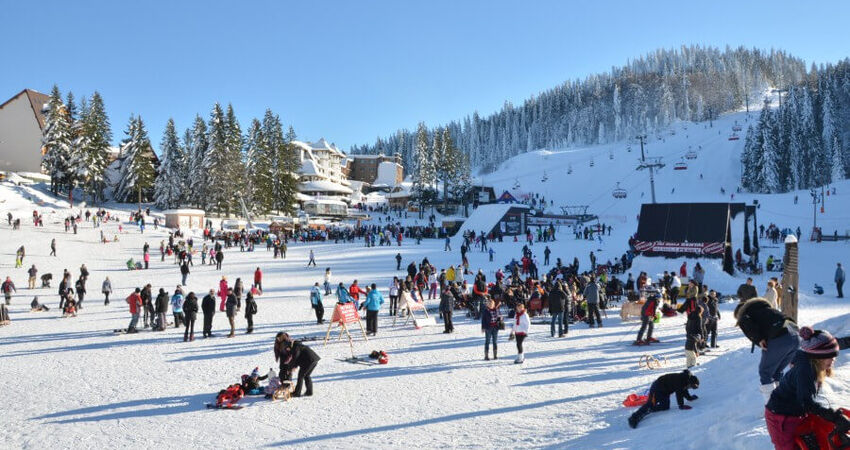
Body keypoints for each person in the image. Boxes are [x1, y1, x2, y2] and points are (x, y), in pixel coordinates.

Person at [765, 327, 849, 449]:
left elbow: (837, 344)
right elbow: (806, 402)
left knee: (823, 432)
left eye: (834, 356)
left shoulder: (813, 356)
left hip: (798, 411)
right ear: (817, 356)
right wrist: (833, 416)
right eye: (829, 357)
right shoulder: (806, 370)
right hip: (781, 417)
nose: (833, 360)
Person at [734, 297, 800, 404]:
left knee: (765, 372)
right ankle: (782, 402)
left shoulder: (745, 315)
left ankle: (772, 407)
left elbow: (745, 322)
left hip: (779, 339)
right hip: (795, 337)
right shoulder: (766, 309)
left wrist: (759, 339)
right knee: (777, 371)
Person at [628, 370, 700, 428]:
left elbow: (683, 390)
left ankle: (651, 409)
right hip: (657, 388)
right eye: (691, 386)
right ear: (690, 382)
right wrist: (681, 405)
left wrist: (690, 398)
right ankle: (633, 418)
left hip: (665, 392)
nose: (690, 388)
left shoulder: (685, 380)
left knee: (665, 407)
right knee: (650, 404)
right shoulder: (681, 380)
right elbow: (679, 393)